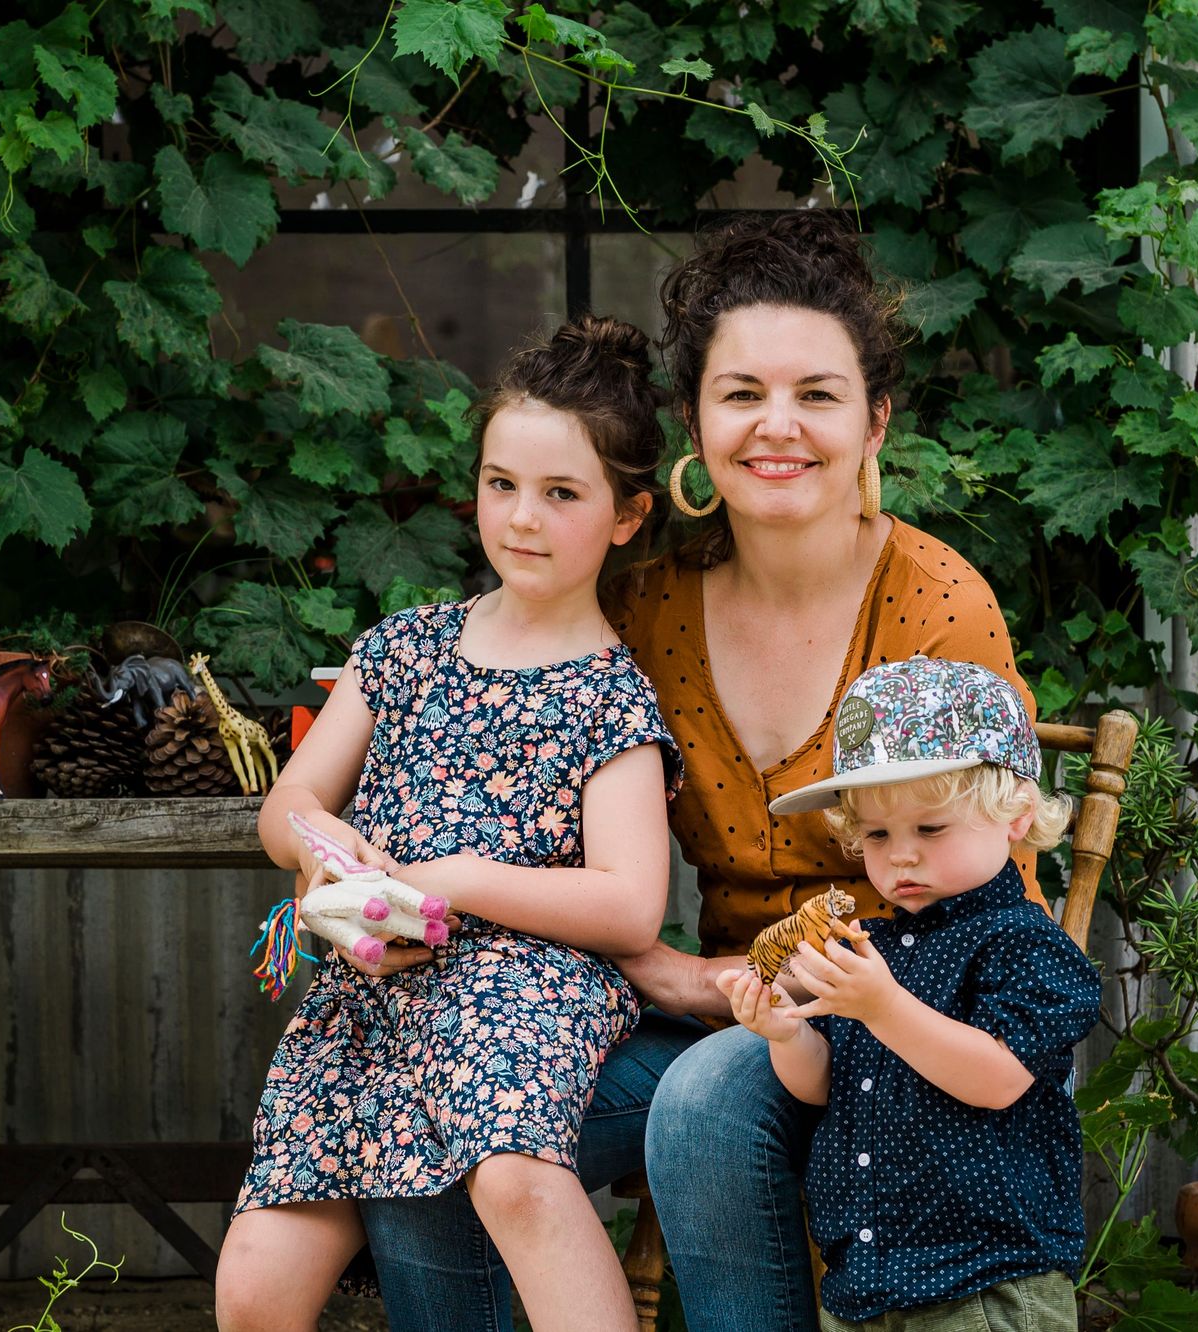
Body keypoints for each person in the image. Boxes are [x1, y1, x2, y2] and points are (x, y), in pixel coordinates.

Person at [359, 212, 1045, 1332]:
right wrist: (389, 889)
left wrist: (781, 996)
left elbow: (986, 900)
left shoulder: (932, 606)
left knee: (700, 1103)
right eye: (741, 394)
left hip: (917, 1010)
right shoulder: (643, 607)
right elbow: (530, 817)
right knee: (436, 1108)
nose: (777, 427)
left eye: (817, 395)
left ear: (875, 419)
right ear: (693, 421)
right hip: (709, 1001)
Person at [213, 316, 681, 1332]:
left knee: (512, 1177)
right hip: (368, 992)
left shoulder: (611, 698)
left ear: (627, 517)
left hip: (521, 997)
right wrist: (329, 854)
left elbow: (631, 904)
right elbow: (286, 804)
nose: (521, 517)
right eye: (500, 484)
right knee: (253, 1290)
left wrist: (449, 879)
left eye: (562, 494)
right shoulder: (405, 649)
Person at [719, 656, 1101, 1332]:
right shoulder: (875, 950)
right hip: (869, 1279)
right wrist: (787, 1033)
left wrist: (882, 1007)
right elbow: (826, 1085)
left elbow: (998, 1078)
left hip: (984, 1280)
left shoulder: (1023, 946)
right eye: (876, 835)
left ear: (1014, 815)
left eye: (930, 829)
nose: (901, 856)